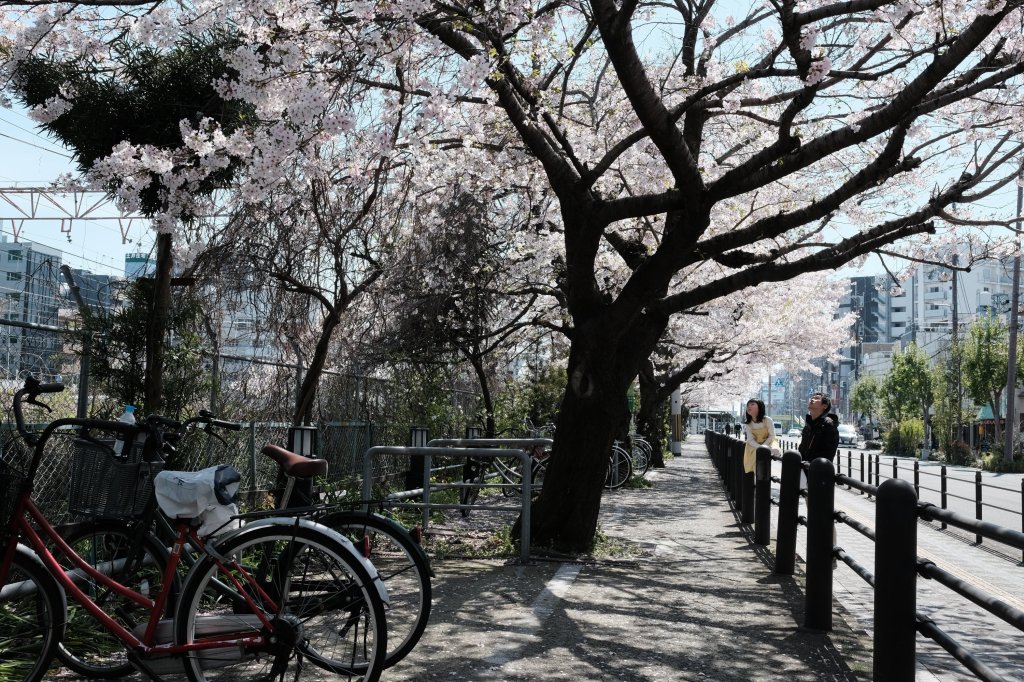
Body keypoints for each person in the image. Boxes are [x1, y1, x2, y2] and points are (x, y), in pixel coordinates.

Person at [799, 392, 840, 463]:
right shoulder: (808, 426)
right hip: (804, 467)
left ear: (824, 406)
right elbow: (802, 449)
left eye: (817, 398)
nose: (812, 400)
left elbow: (828, 453)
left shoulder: (829, 425)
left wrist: (810, 463)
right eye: (812, 398)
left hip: (819, 467)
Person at [742, 399, 780, 474]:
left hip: (769, 442)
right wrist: (760, 447)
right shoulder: (748, 423)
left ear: (760, 407)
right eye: (748, 405)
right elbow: (750, 439)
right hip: (754, 445)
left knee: (776, 450)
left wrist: (764, 446)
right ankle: (758, 477)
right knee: (755, 457)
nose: (749, 406)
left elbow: (772, 436)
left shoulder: (767, 420)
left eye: (752, 404)